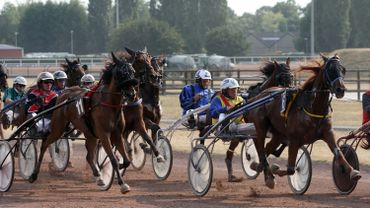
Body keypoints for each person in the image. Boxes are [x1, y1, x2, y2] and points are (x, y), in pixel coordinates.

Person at [209, 78, 255, 182]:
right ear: (225, 90)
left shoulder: (240, 99)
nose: (235, 92)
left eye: (236, 90)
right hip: (222, 128)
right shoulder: (218, 99)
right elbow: (213, 113)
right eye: (232, 90)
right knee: (236, 126)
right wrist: (225, 109)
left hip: (238, 127)